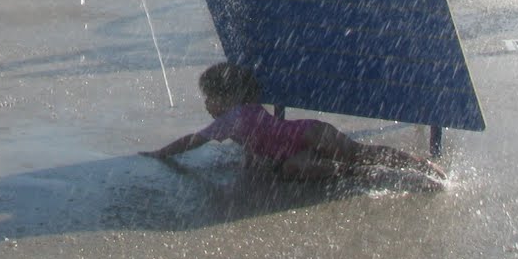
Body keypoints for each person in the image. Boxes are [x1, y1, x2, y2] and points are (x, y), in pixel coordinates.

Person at [141, 63, 444, 186]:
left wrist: (160, 154)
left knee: (359, 153)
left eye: (209, 98)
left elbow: (193, 140)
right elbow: (256, 143)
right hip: (301, 142)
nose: (206, 105)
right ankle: (366, 173)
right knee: (294, 170)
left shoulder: (232, 119)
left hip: (311, 134)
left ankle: (419, 164)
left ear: (226, 98)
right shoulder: (243, 113)